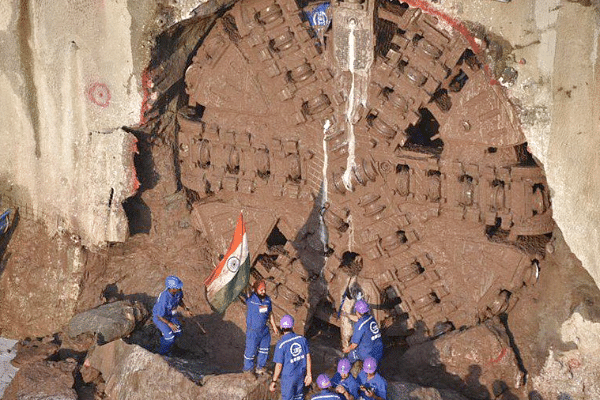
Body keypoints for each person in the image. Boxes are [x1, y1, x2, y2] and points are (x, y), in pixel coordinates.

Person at [270, 315, 313, 400]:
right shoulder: (302, 339)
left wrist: (274, 381)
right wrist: (309, 374)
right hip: (301, 375)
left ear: (281, 327)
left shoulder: (281, 344)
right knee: (299, 397)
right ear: (293, 326)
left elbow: (279, 365)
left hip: (288, 378)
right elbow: (308, 357)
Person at [243, 279, 280, 375]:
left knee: (264, 350)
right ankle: (248, 369)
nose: (263, 292)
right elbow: (246, 288)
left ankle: (260, 367)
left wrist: (274, 326)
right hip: (253, 331)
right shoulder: (251, 299)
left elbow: (270, 313)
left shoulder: (267, 300)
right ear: (255, 290)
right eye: (261, 290)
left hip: (264, 330)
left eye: (264, 290)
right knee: (250, 351)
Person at [152, 275, 192, 355]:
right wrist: (170, 324)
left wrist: (185, 309)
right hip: (160, 318)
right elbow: (159, 316)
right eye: (178, 287)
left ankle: (168, 342)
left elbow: (179, 300)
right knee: (170, 337)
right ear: (172, 289)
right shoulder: (164, 299)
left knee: (178, 332)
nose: (180, 288)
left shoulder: (178, 292)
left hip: (170, 315)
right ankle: (162, 353)